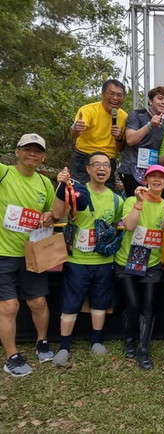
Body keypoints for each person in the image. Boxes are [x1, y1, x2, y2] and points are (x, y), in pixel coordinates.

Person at [52, 153, 124, 367]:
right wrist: (60, 187)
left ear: (110, 170)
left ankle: (96, 340)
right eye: (96, 165)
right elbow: (57, 213)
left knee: (100, 302)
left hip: (103, 261)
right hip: (76, 259)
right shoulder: (76, 191)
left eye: (106, 165)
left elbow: (116, 223)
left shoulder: (116, 199)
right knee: (70, 303)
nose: (101, 168)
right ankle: (64, 346)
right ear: (89, 169)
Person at [0, 134, 56, 376]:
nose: (32, 154)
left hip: (33, 253)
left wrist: (51, 215)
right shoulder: (3, 173)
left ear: (43, 156)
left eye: (37, 151)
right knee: (9, 307)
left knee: (38, 302)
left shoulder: (45, 183)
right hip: (3, 252)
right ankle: (11, 355)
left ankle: (42, 341)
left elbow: (55, 211)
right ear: (17, 152)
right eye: (27, 149)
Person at [114, 165, 164, 370]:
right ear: (145, 180)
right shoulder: (131, 200)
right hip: (126, 261)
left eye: (161, 177)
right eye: (153, 177)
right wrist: (139, 203)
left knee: (148, 307)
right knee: (132, 304)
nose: (157, 180)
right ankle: (129, 339)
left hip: (152, 263)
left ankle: (143, 349)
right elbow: (129, 226)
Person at [69, 79, 127, 190]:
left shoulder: (124, 116)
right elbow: (75, 133)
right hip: (84, 157)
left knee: (106, 198)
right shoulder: (88, 110)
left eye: (119, 95)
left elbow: (120, 149)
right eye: (111, 94)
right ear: (102, 94)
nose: (115, 98)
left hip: (108, 160)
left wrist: (119, 138)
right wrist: (76, 128)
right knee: (79, 196)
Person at [119, 86, 164, 196]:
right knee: (134, 204)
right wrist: (150, 125)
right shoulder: (137, 115)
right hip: (131, 171)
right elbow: (130, 140)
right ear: (150, 101)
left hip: (151, 173)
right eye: (160, 98)